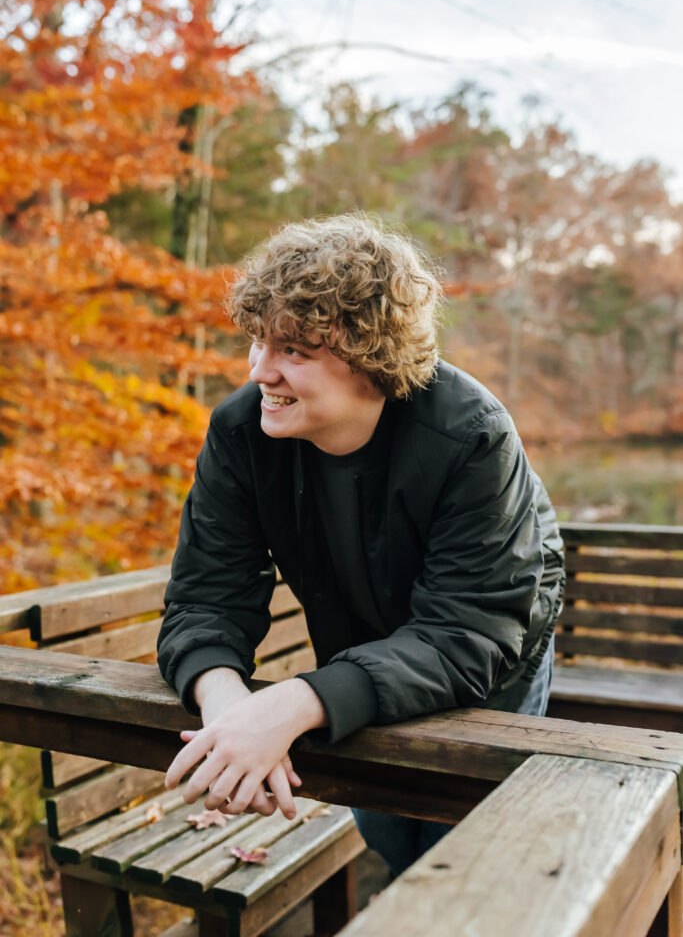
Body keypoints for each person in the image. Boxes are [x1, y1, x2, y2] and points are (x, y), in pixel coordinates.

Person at [158, 213, 565, 877]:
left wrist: (293, 700)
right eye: (258, 341)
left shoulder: (472, 436)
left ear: (371, 364)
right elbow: (206, 595)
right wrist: (228, 710)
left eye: (293, 351)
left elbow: (470, 634)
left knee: (465, 844)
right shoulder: (240, 432)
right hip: (359, 641)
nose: (260, 370)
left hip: (492, 644)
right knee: (388, 832)